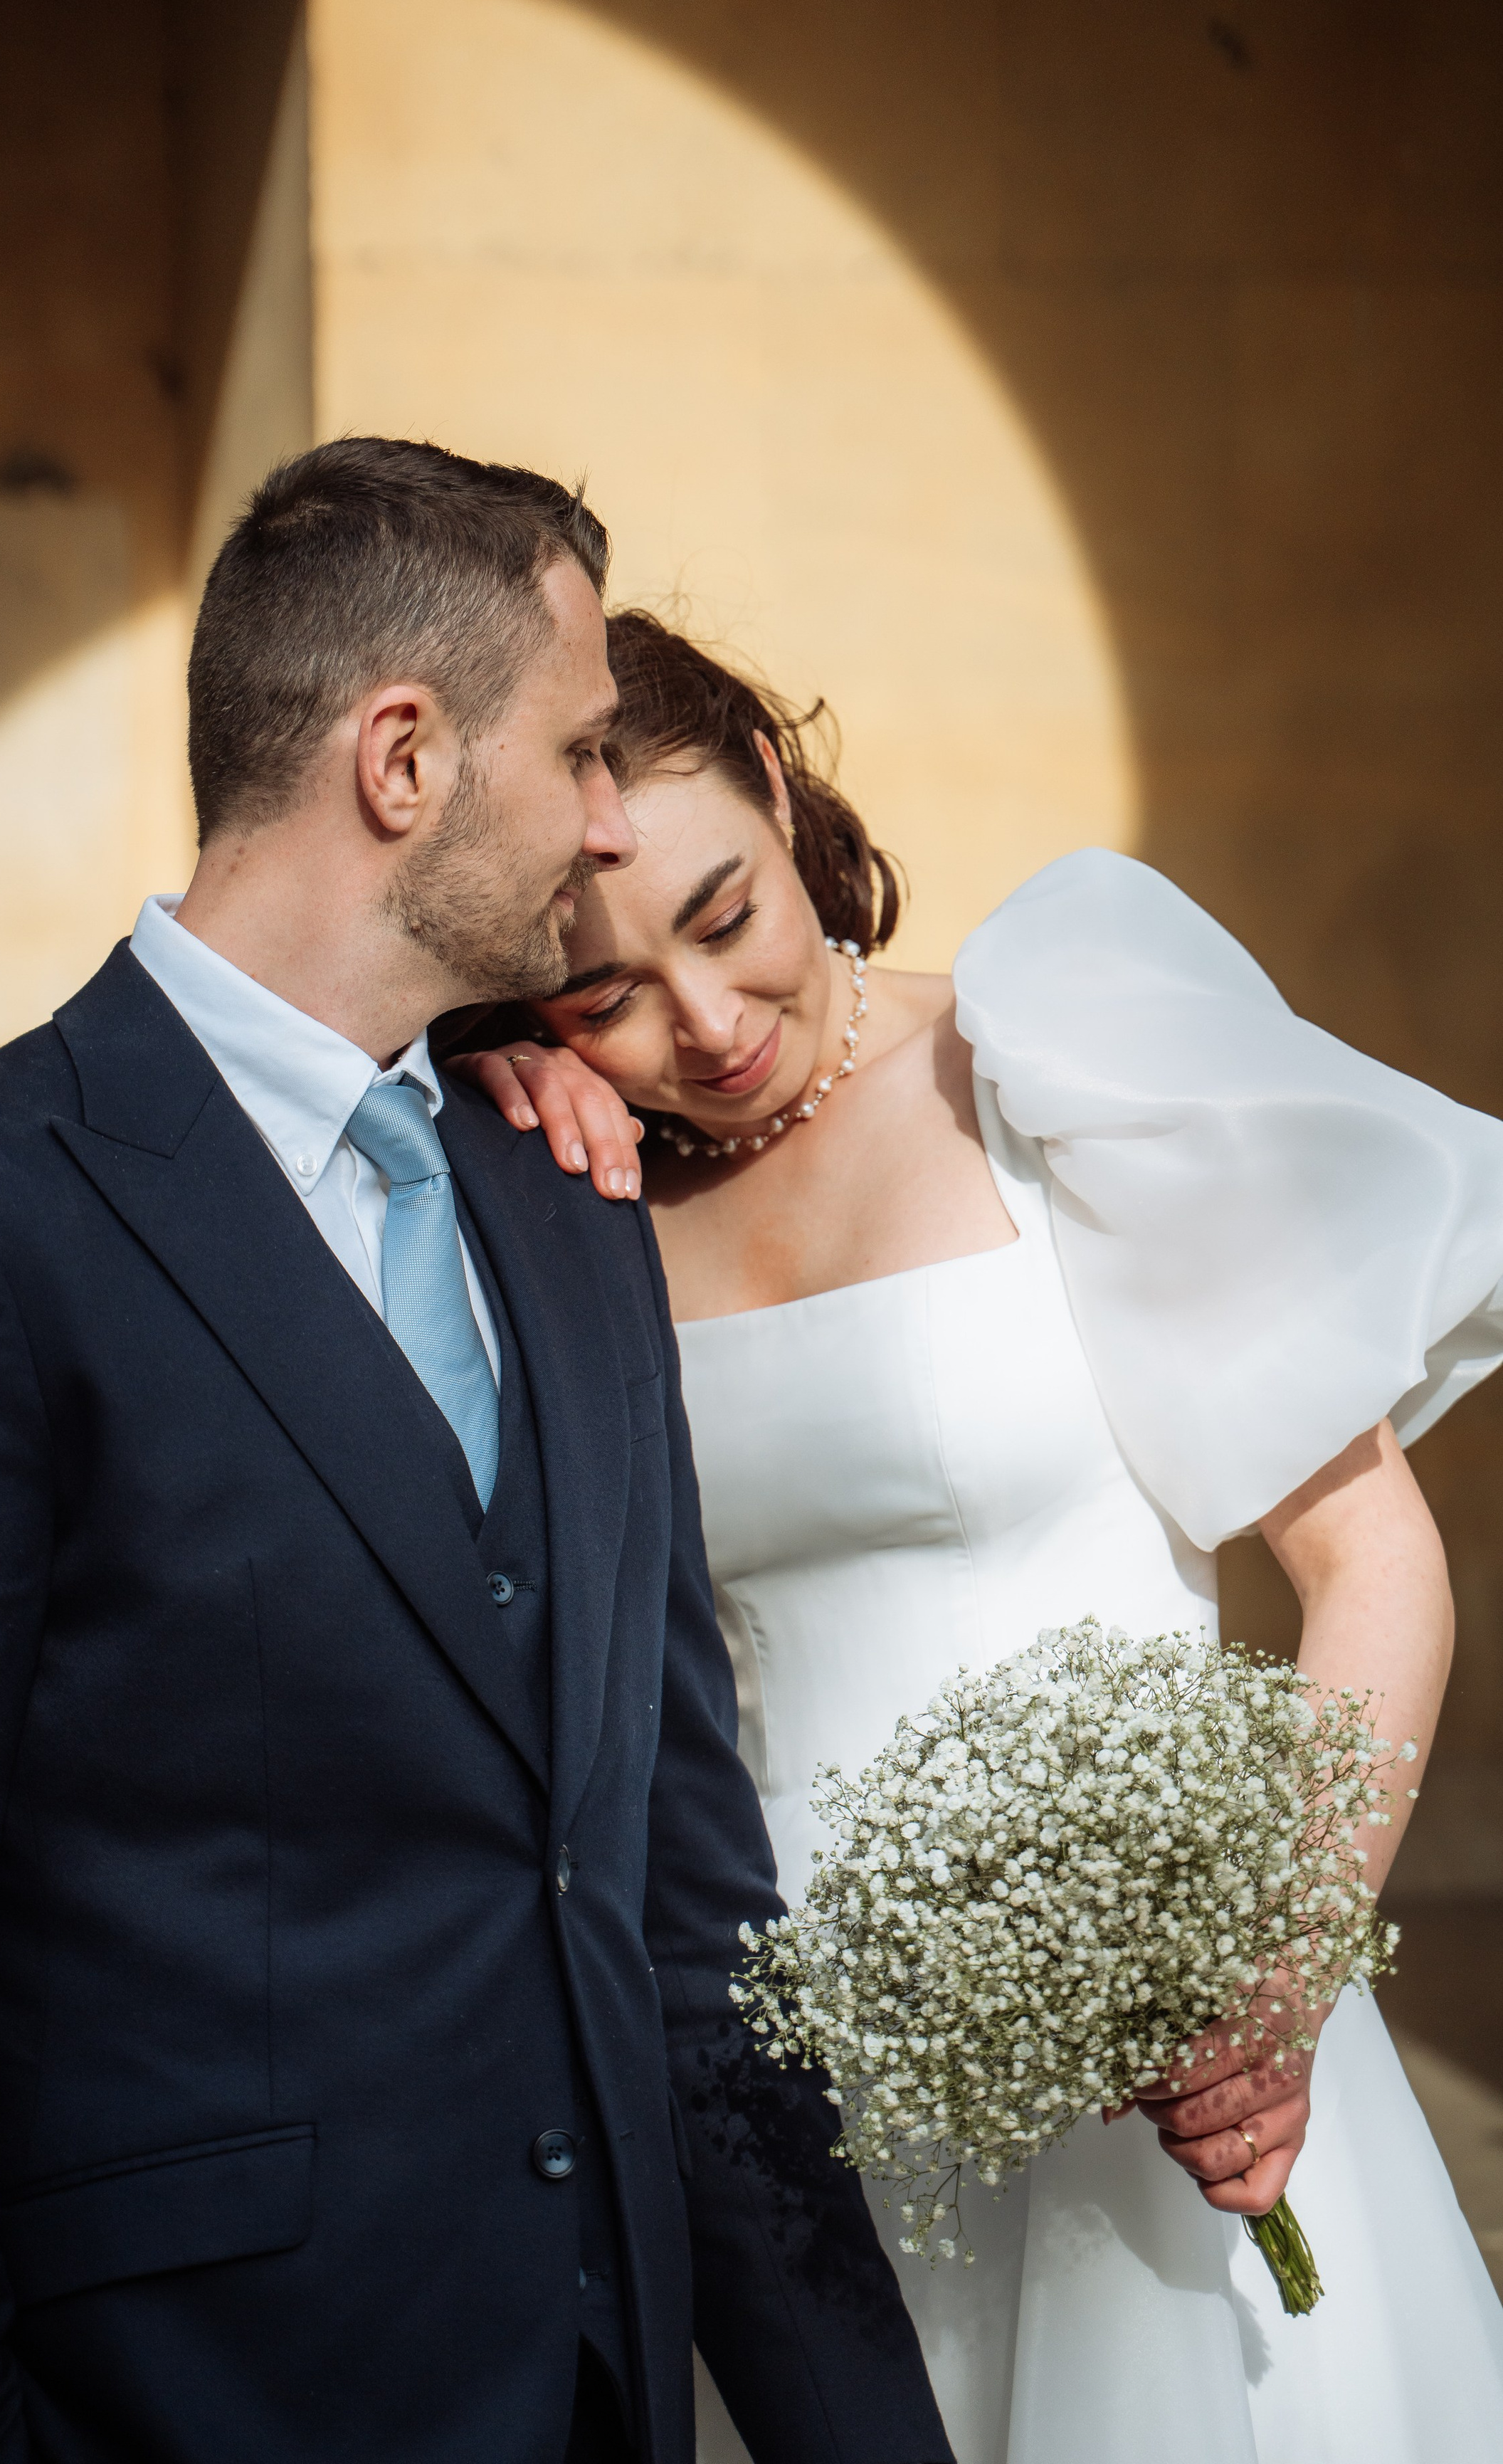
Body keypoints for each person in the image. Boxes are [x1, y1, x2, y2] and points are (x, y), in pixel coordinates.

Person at [0, 455, 949, 2464]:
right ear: (400, 759)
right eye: (585, 750)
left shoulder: (564, 1196)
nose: (612, 820)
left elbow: (681, 1918)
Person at [453, 607, 1503, 2464]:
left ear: (780, 791)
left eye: (726, 916)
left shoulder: (1046, 1066)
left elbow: (1373, 1565)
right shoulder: (561, 1190)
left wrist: (1272, 1981)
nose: (704, 1028)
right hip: (802, 2108)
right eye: (604, 994)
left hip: (1163, 2051)